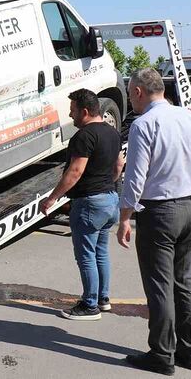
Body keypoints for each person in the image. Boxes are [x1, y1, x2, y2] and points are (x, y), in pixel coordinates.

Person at [117, 68, 191, 375]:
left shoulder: (144, 124)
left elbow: (135, 176)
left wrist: (125, 217)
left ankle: (162, 354)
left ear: (137, 92)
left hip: (161, 212)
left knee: (160, 286)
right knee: (184, 282)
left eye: (130, 93)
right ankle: (189, 352)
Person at [40, 89, 123, 321]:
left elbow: (75, 171)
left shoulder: (84, 136)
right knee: (101, 252)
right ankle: (103, 299)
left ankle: (89, 305)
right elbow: (118, 166)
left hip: (89, 202)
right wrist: (106, 184)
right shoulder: (113, 133)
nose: (70, 114)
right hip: (109, 199)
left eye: (73, 110)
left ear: (85, 111)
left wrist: (52, 198)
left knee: (86, 255)